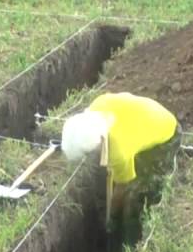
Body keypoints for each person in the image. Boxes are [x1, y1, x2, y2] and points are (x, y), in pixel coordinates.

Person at [60, 92, 181, 241]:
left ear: (96, 147)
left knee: (141, 192)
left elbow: (122, 186)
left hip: (165, 132)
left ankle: (131, 238)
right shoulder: (95, 109)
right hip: (143, 122)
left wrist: (112, 216)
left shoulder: (118, 150)